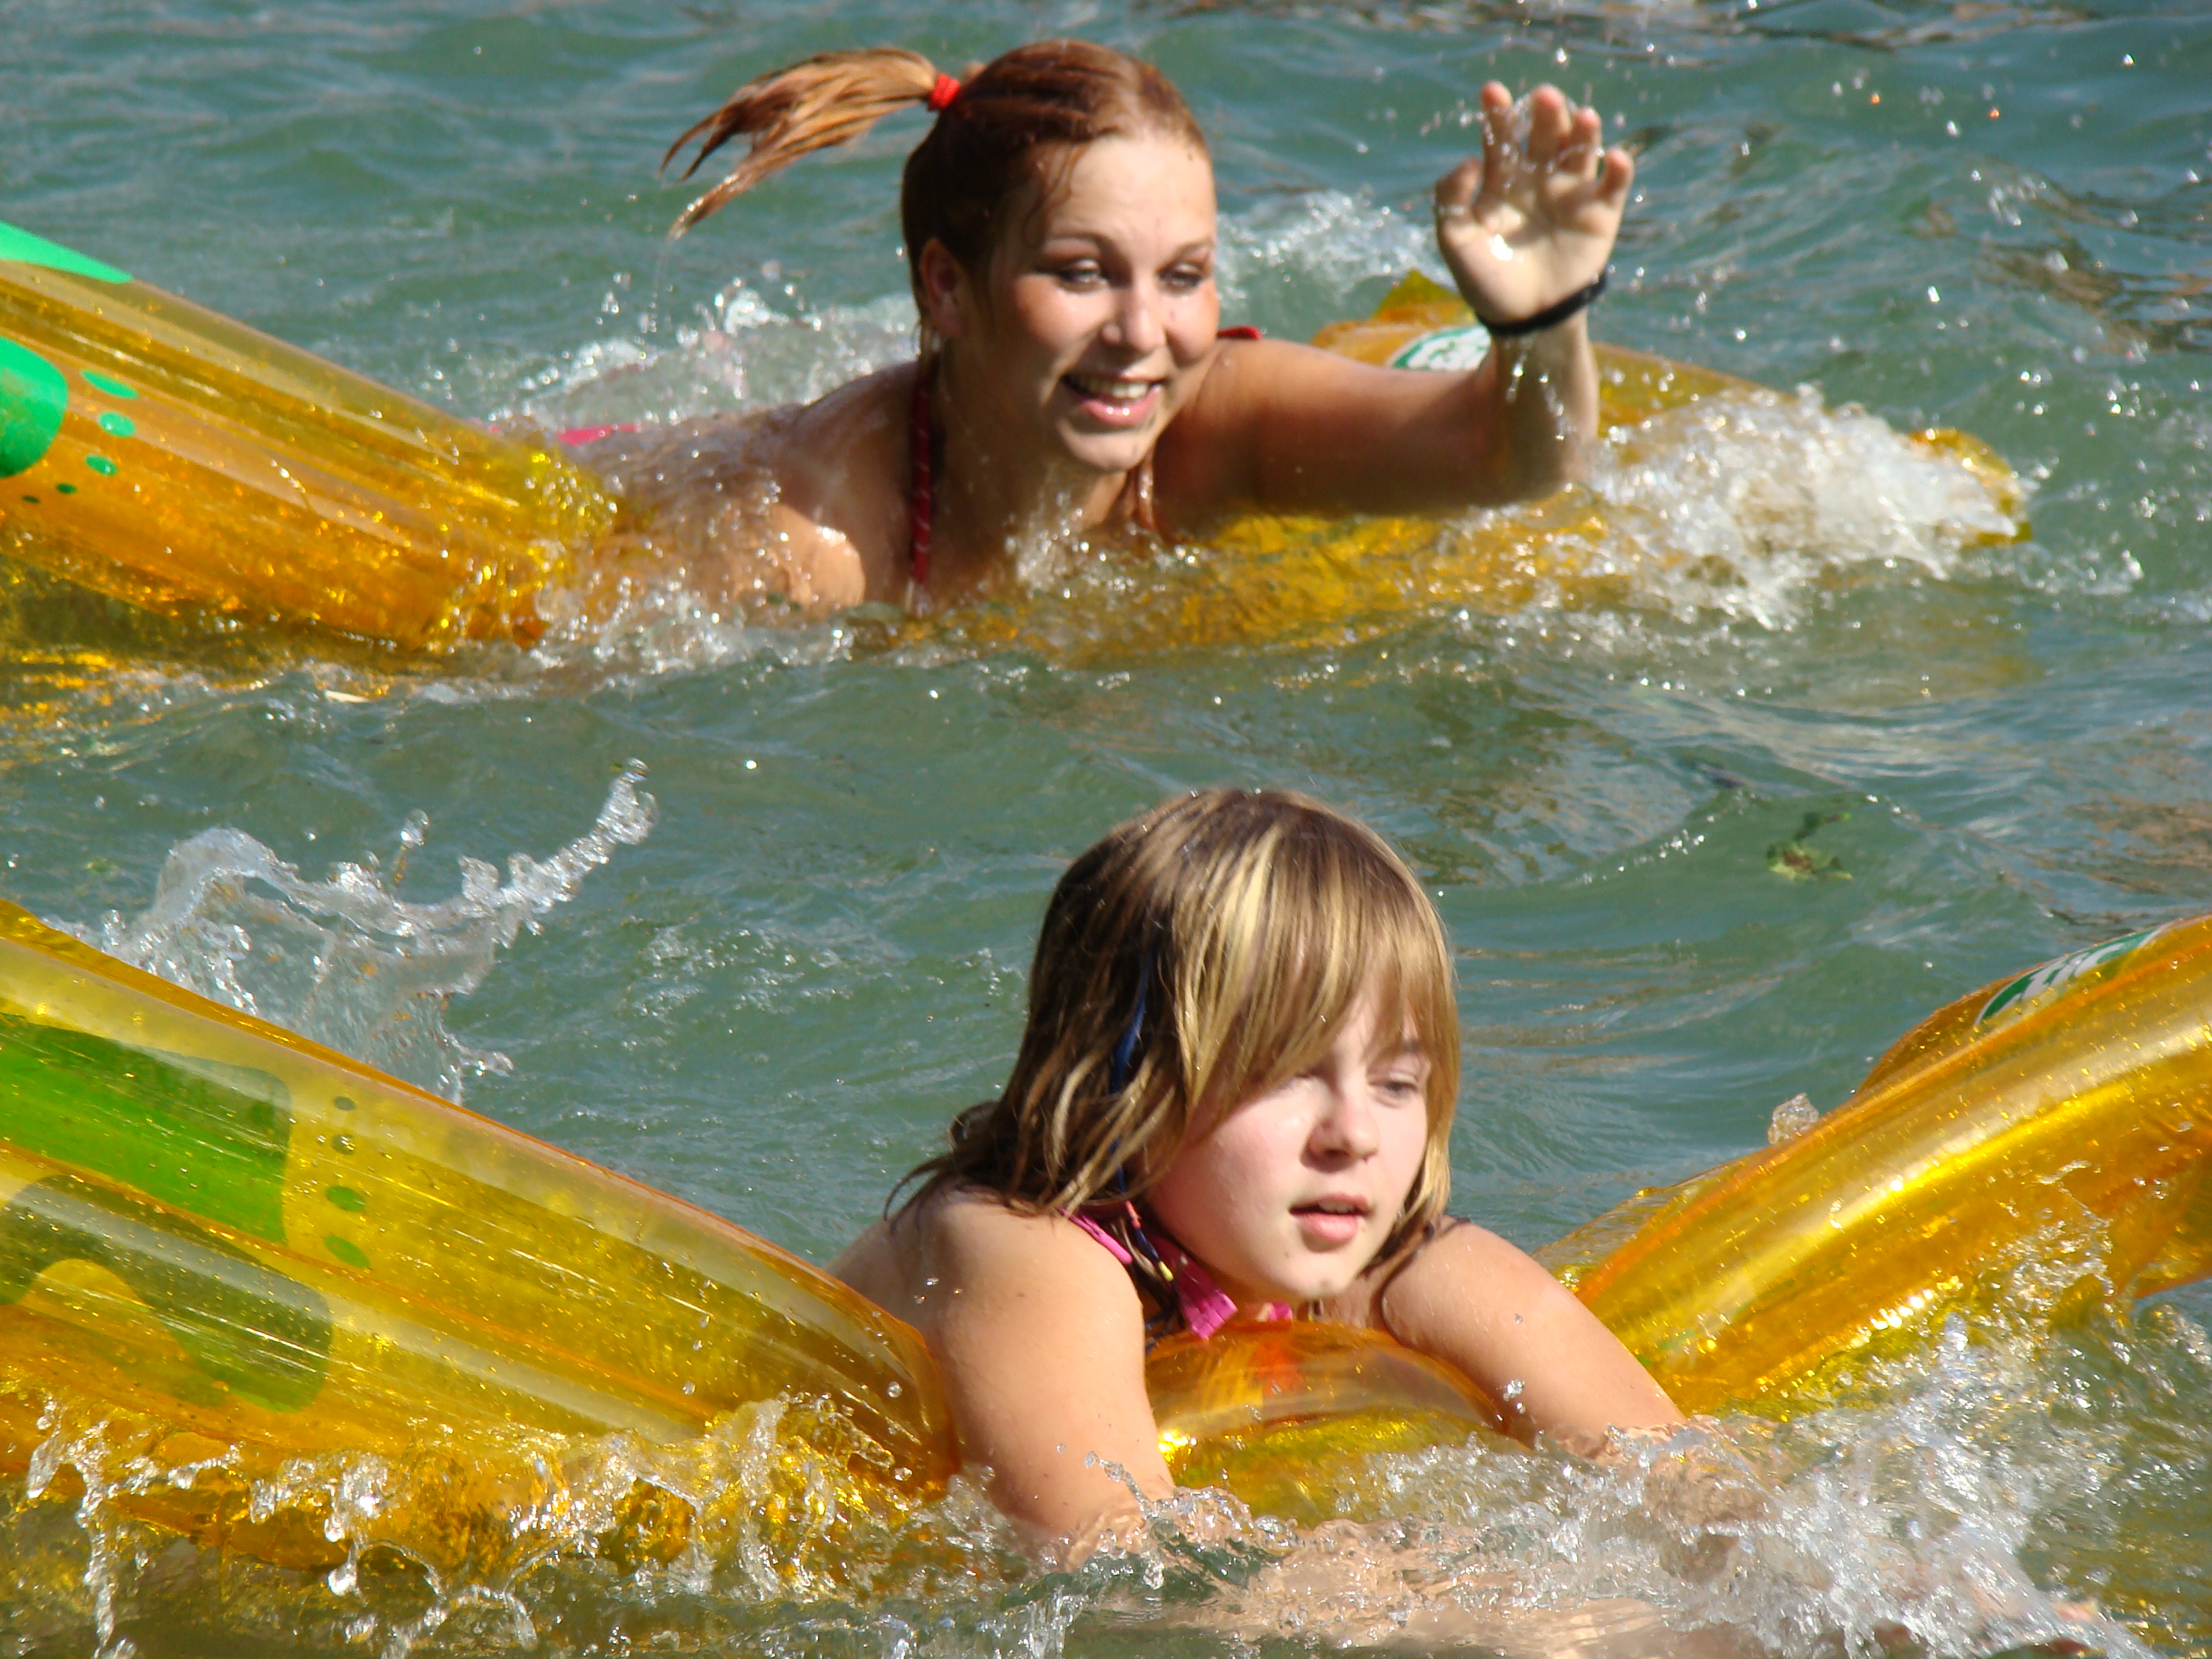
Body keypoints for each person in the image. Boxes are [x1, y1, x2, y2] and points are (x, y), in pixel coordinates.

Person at [833, 789, 1681, 1549]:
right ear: (1123, 1082)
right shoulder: (1023, 1252)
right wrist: (1440, 1597)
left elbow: (1693, 1486)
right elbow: (1120, 1572)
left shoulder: (1388, 1258)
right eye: (1284, 1076)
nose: (1354, 1134)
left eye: (1395, 1083)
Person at [596, 41, 1633, 615]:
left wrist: (1540, 322)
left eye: (1184, 276)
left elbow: (1514, 461)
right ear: (946, 289)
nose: (1144, 332)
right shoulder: (817, 542)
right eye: (1083, 274)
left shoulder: (1217, 420)